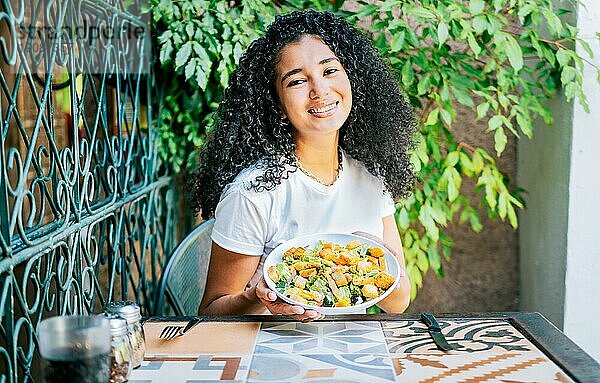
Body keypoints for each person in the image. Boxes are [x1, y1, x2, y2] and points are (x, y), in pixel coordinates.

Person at [190, 10, 416, 322]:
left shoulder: (371, 177)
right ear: (277, 105)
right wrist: (257, 296)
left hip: (355, 352)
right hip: (271, 355)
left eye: (330, 71)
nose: (320, 90)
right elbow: (211, 312)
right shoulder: (253, 193)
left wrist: (383, 261)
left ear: (353, 80)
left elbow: (399, 303)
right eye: (297, 81)